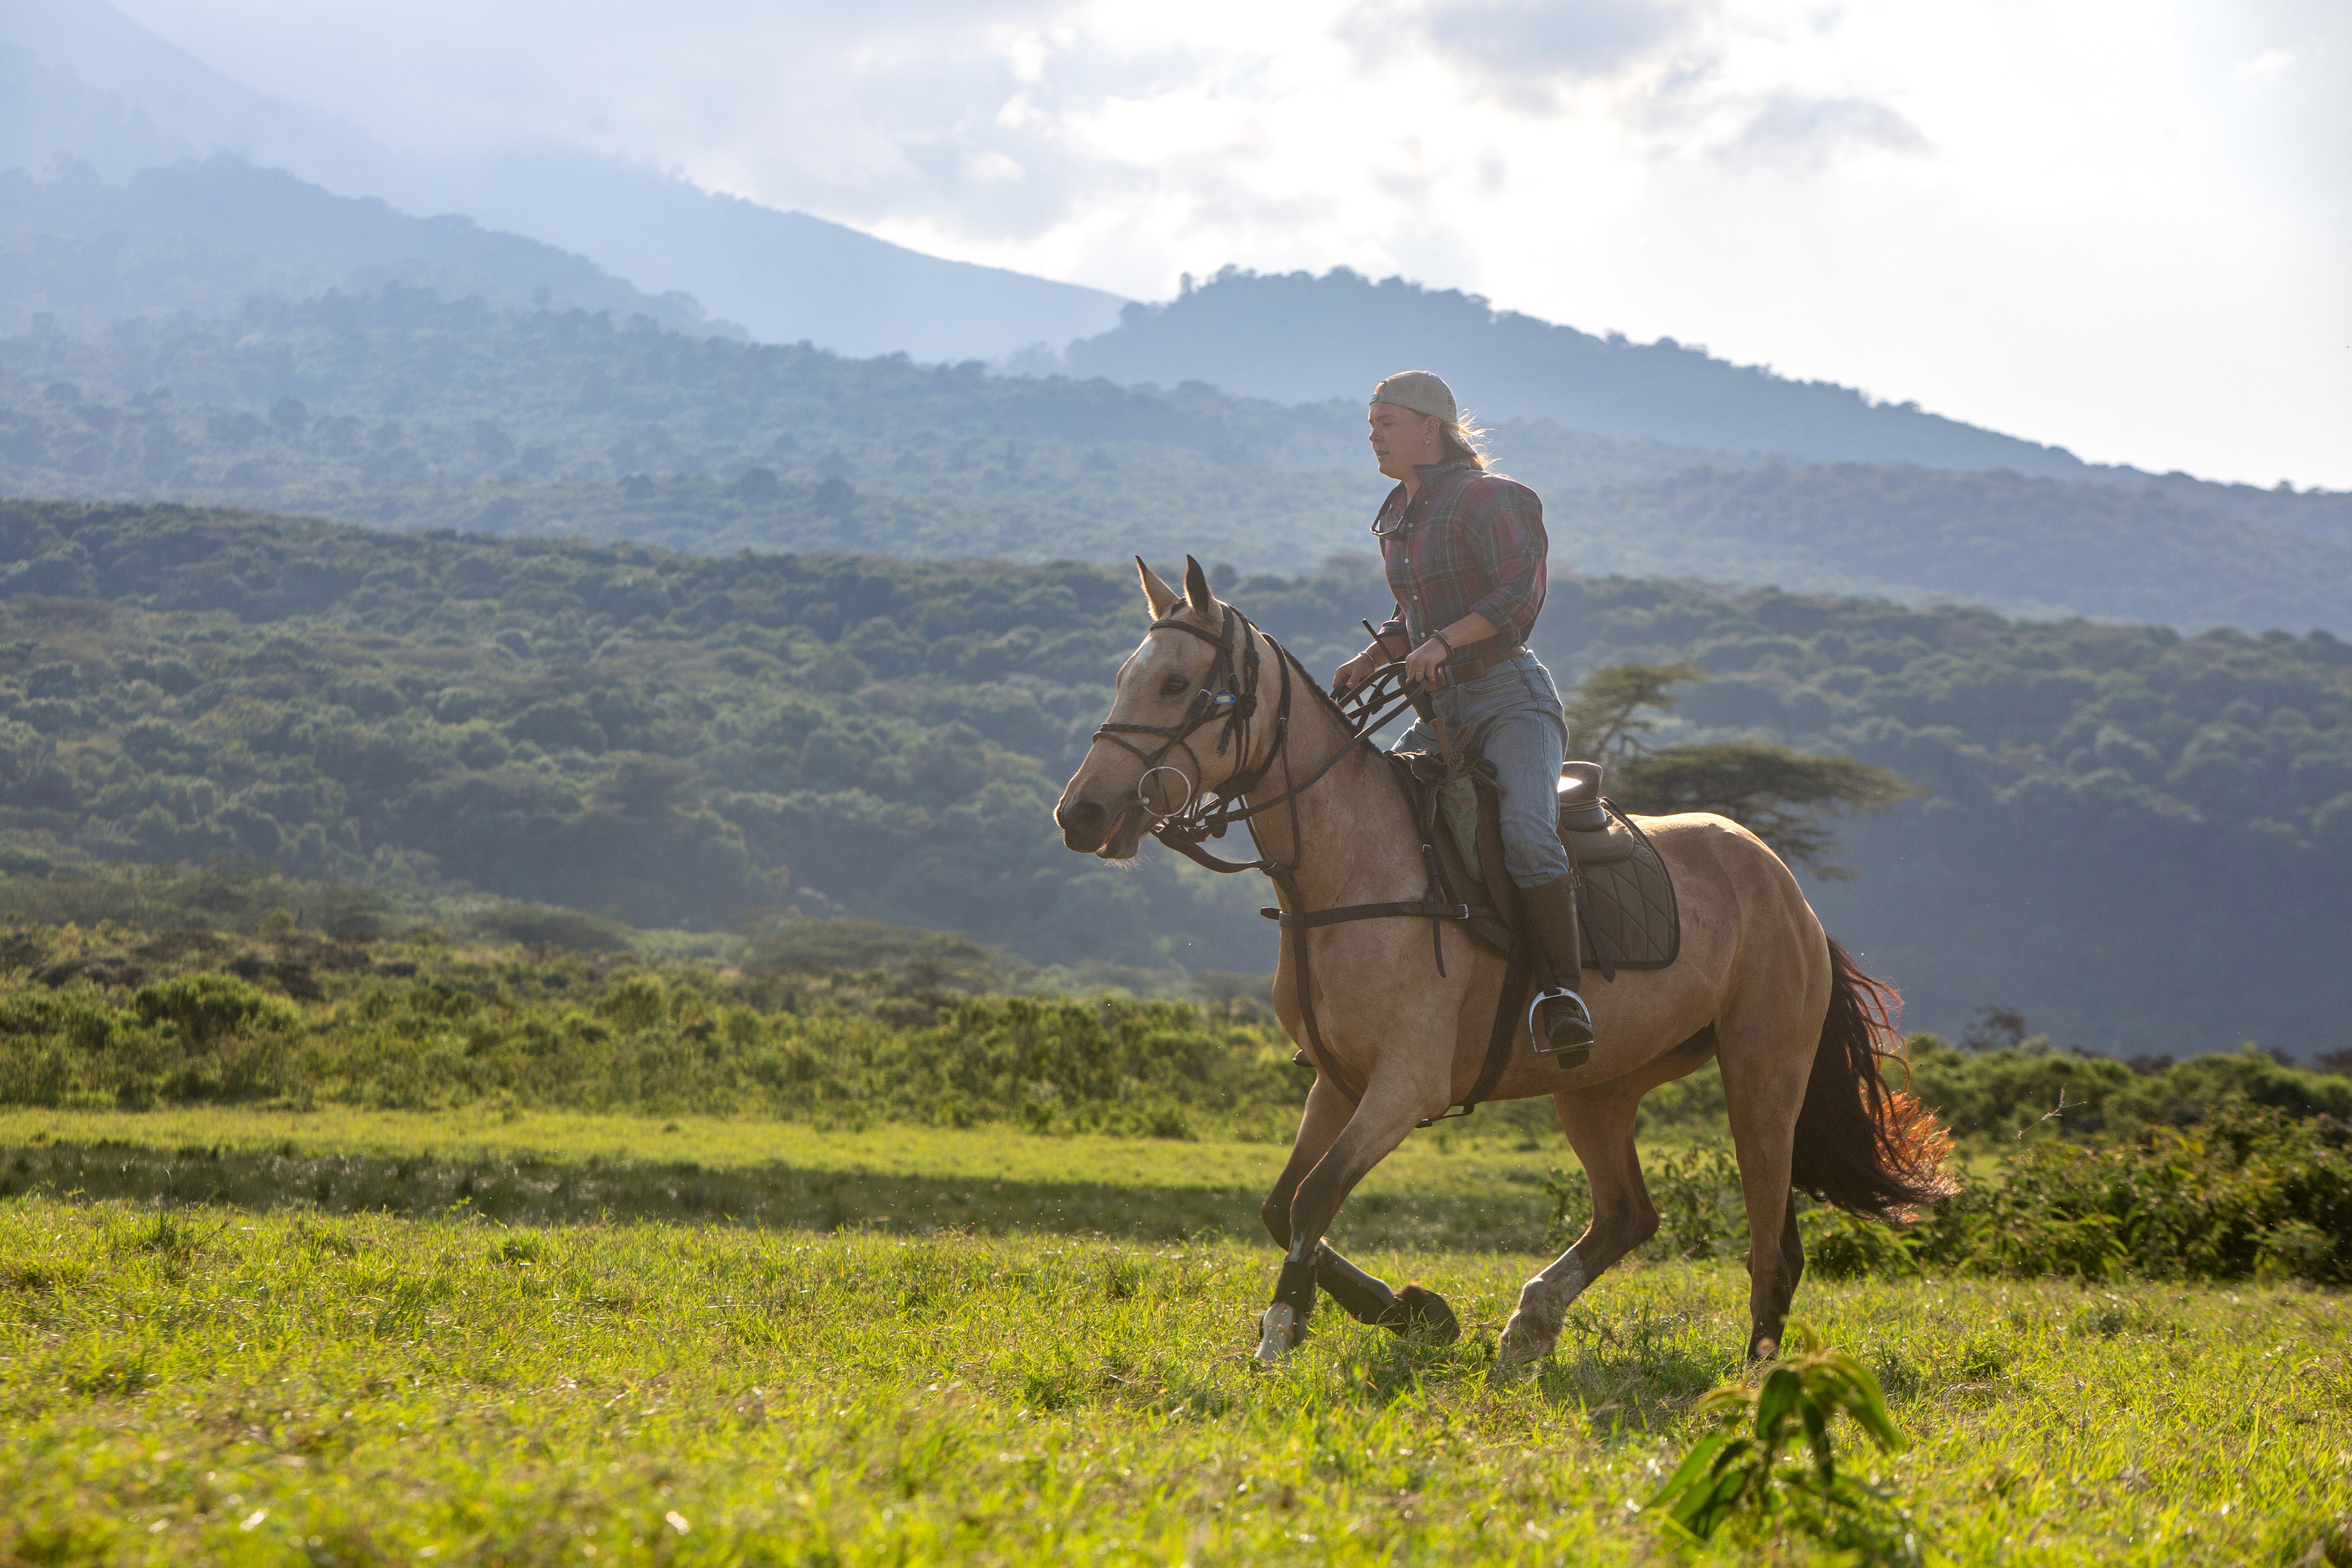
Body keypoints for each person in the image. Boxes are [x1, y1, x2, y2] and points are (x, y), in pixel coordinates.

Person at [1331, 370, 1595, 1060]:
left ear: (1431, 429)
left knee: (1528, 835)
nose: (1374, 434)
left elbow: (1516, 598)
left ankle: (1563, 994)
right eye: (1371, 423)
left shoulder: (1494, 499)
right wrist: (1373, 656)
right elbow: (1413, 617)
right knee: (1388, 826)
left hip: (1511, 700)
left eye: (1388, 422)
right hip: (1442, 709)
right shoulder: (1398, 515)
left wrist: (1443, 642)